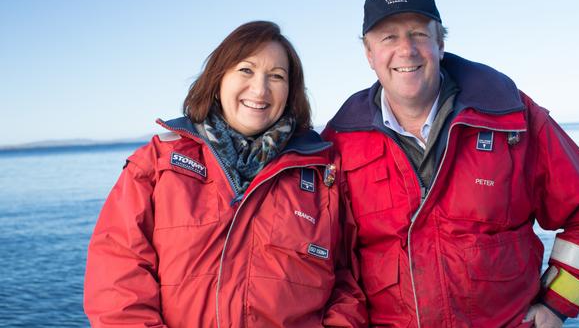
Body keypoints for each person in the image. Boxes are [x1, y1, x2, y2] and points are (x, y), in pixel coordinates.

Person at [323, 0, 579, 327]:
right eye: (388, 37)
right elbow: (328, 263)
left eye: (419, 34)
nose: (406, 49)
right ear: (369, 54)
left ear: (440, 43)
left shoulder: (514, 119)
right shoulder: (339, 143)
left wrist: (556, 306)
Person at [84, 21, 367, 327]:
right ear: (219, 78)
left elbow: (346, 284)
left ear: (291, 91)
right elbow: (116, 281)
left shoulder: (322, 177)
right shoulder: (156, 164)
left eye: (276, 76)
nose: (260, 89)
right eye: (246, 70)